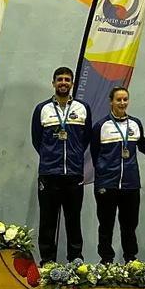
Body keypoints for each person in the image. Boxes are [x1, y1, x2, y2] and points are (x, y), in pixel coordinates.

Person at [90, 86, 145, 264]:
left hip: (131, 184)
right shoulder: (101, 126)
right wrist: (103, 176)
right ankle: (106, 260)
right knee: (106, 225)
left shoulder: (135, 124)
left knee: (129, 226)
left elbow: (144, 145)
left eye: (125, 99)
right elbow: (95, 153)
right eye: (118, 99)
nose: (122, 103)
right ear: (111, 102)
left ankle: (130, 259)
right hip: (107, 184)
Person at [31, 67, 91, 265]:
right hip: (49, 174)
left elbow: (86, 138)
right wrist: (50, 157)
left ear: (72, 83)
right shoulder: (42, 109)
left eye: (67, 79)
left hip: (74, 173)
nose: (63, 83)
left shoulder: (82, 108)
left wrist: (73, 156)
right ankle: (47, 259)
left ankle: (75, 258)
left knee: (73, 219)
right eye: (59, 79)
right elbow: (36, 139)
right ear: (53, 83)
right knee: (47, 220)